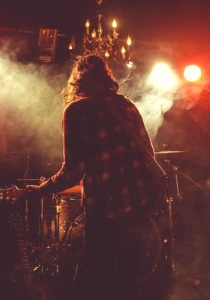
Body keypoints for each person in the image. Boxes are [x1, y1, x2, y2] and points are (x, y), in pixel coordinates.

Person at [24, 55, 168, 300]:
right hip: (137, 210)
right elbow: (148, 152)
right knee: (132, 283)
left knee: (103, 283)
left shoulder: (78, 111)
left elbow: (72, 172)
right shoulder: (127, 105)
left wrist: (41, 190)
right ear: (107, 76)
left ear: (78, 80)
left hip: (105, 213)